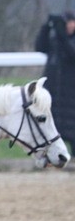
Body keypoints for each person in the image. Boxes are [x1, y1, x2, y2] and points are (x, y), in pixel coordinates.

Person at [34, 10, 75, 138]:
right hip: (54, 90)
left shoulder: (66, 39)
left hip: (71, 92)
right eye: (66, 23)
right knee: (53, 126)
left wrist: (63, 36)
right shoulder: (55, 39)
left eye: (70, 22)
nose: (68, 26)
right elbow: (39, 46)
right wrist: (47, 27)